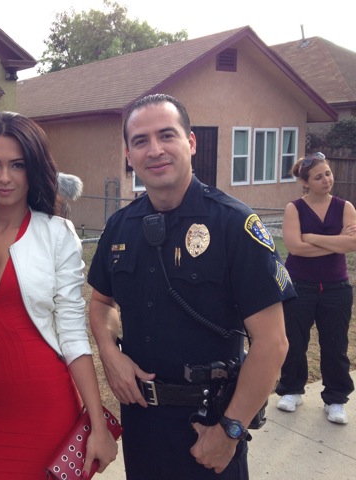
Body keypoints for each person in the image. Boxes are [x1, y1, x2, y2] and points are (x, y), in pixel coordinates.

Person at [87, 94, 296, 479]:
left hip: (209, 425)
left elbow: (273, 342)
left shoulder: (234, 225)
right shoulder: (120, 227)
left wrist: (230, 430)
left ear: (191, 143)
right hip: (142, 422)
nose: (155, 150)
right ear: (129, 155)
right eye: (140, 140)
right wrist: (109, 354)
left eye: (166, 135)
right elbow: (101, 301)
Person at [0, 111, 118, 478]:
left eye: (17, 165)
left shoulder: (57, 233)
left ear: (34, 168)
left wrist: (98, 425)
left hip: (45, 406)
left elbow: (72, 334)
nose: (4, 178)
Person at [275, 152, 355, 424]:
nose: (327, 180)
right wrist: (334, 241)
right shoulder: (293, 208)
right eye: (319, 176)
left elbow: (351, 244)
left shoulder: (345, 207)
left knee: (335, 345)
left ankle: (335, 399)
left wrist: (312, 238)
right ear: (306, 182)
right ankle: (292, 390)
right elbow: (295, 248)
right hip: (299, 285)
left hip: (337, 287)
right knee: (294, 341)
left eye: (328, 173)